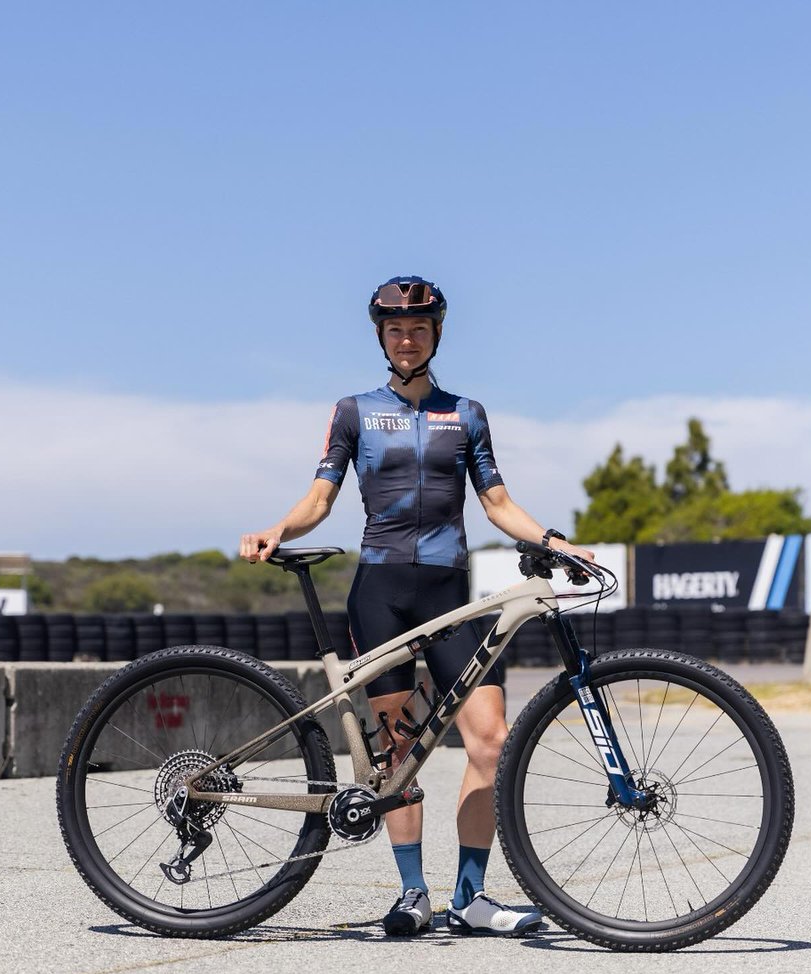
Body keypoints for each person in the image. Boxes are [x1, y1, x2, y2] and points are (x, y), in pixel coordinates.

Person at [240, 275, 593, 937]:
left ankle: (471, 896)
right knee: (395, 755)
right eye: (397, 329)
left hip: (448, 595)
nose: (408, 339)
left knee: (490, 742)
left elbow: (495, 503)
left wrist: (552, 538)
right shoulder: (353, 412)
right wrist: (278, 530)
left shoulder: (466, 414)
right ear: (382, 337)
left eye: (419, 329)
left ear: (436, 336)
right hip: (381, 595)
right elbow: (321, 497)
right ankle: (411, 894)